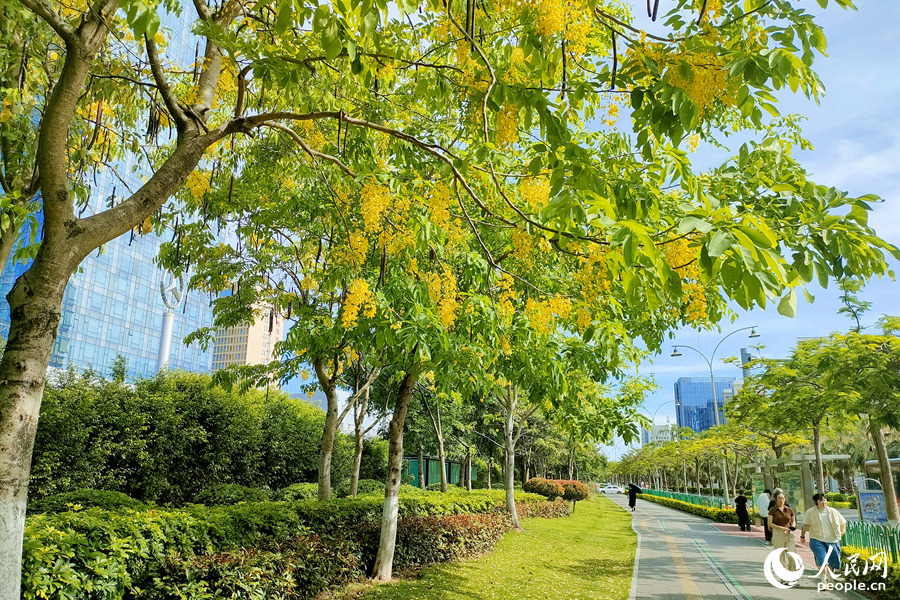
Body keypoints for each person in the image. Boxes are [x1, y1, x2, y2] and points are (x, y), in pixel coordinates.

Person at [801, 493, 847, 581]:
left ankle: (830, 579)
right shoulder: (810, 512)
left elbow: (843, 522)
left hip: (832, 540)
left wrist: (842, 531)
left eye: (824, 500)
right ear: (816, 502)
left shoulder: (833, 511)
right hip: (817, 539)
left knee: (832, 562)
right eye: (821, 500)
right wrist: (802, 536)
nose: (823, 502)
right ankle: (823, 580)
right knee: (821, 560)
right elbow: (805, 525)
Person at [768, 491, 799, 579]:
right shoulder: (772, 510)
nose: (782, 500)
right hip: (778, 533)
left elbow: (793, 521)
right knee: (781, 556)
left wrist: (792, 526)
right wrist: (782, 528)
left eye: (783, 498)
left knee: (792, 554)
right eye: (779, 498)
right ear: (776, 500)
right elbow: (770, 524)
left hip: (789, 534)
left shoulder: (789, 509)